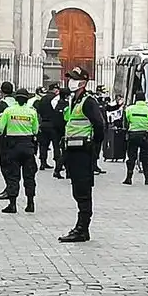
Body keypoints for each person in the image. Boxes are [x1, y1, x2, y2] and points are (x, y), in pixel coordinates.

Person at [58, 66, 106, 243]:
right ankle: (81, 227)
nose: (71, 81)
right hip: (73, 150)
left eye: (75, 78)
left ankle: (82, 228)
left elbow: (99, 125)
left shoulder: (88, 101)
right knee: (77, 190)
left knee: (83, 190)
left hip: (83, 152)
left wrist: (94, 146)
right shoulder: (74, 101)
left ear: (83, 82)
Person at [0, 87, 38, 214]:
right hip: (28, 145)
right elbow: (35, 130)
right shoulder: (32, 112)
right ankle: (30, 203)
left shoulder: (8, 111)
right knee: (29, 176)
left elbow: (0, 128)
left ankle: (12, 204)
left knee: (13, 175)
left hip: (12, 146)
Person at [122, 91, 148, 186]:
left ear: (135, 99)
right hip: (145, 135)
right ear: (144, 99)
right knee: (145, 157)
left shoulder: (129, 109)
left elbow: (126, 121)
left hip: (132, 135)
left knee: (131, 157)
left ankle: (128, 178)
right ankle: (147, 178)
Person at [0, 81, 17, 199]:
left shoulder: (2, 104)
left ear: (1, 91)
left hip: (6, 137)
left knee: (5, 164)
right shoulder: (18, 103)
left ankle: (9, 189)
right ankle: (12, 189)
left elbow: (0, 123)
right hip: (19, 136)